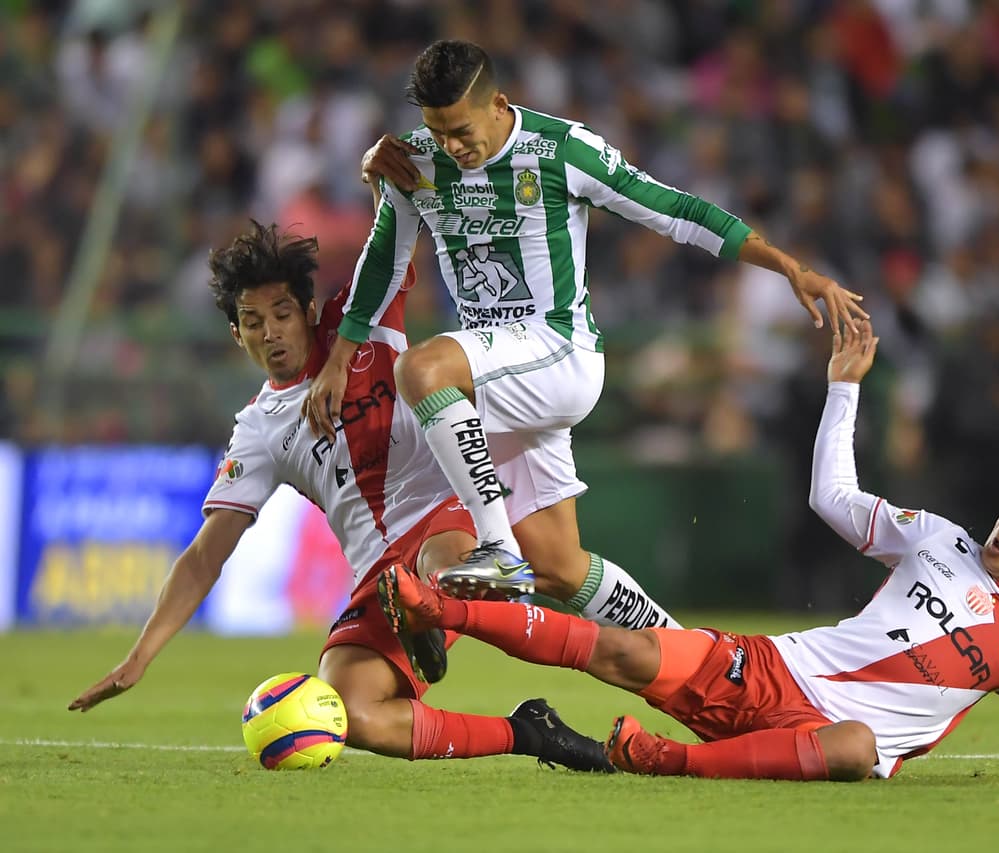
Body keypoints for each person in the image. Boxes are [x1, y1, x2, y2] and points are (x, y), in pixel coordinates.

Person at [376, 319, 999, 783]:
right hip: (773, 670)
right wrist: (842, 391)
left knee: (861, 749)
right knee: (626, 647)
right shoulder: (938, 537)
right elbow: (832, 498)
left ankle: (655, 760)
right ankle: (440, 607)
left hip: (829, 736)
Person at [300, 39, 867, 633]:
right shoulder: (411, 161)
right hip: (499, 377)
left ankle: (496, 549)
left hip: (557, 351)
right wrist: (341, 355)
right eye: (438, 133)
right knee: (562, 570)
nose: (452, 146)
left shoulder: (561, 149)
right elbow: (383, 258)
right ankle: (691, 656)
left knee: (420, 369)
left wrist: (788, 267)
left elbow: (674, 210)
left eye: (462, 130)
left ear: (499, 103)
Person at [68, 221, 612, 774]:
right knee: (355, 712)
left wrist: (385, 179)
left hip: (445, 513)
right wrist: (139, 657)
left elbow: (395, 233)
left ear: (308, 310)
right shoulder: (258, 430)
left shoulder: (364, 315)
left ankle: (447, 605)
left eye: (282, 315)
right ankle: (528, 733)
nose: (271, 334)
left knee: (439, 562)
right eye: (253, 323)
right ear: (236, 334)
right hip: (379, 573)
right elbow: (206, 555)